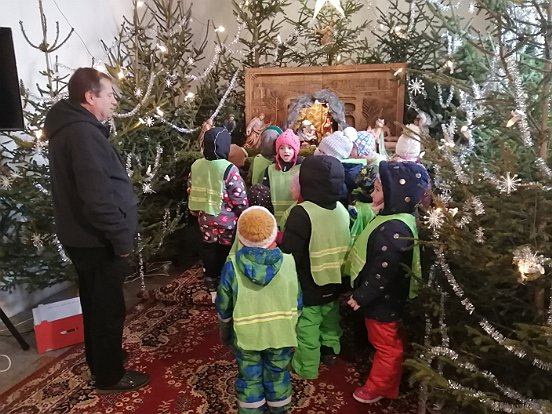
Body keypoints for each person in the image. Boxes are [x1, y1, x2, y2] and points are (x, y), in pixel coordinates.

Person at [45, 67, 149, 392]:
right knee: (106, 308)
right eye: (110, 94)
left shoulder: (72, 128)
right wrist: (121, 240)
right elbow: (97, 198)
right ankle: (109, 375)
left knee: (94, 304)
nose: (115, 101)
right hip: (98, 241)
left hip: (85, 239)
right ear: (90, 97)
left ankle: (103, 358)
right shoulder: (82, 134)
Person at [345, 161, 430, 404]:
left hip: (383, 302)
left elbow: (382, 271)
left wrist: (361, 296)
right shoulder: (396, 218)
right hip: (383, 299)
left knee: (388, 347)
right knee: (386, 342)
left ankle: (378, 387)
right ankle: (388, 380)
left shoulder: (393, 229)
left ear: (397, 196)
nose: (372, 194)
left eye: (378, 190)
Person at [216, 206, 301, 414]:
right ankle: (280, 408)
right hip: (281, 333)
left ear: (241, 237)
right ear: (273, 234)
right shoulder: (289, 262)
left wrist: (225, 330)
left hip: (247, 336)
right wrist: (293, 324)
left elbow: (224, 305)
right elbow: (297, 300)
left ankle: (251, 410)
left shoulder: (232, 266)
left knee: (249, 377)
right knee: (278, 373)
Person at [280, 155, 351, 380]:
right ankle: (331, 350)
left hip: (310, 281)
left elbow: (290, 251)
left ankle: (306, 366)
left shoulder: (301, 212)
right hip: (337, 278)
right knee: (330, 316)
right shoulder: (341, 209)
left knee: (307, 325)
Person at [188, 127, 249, 300]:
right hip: (227, 220)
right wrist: (244, 212)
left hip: (204, 217)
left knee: (208, 246)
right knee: (225, 247)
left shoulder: (196, 165)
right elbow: (238, 195)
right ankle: (224, 278)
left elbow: (191, 188)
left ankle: (210, 278)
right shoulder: (228, 168)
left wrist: (195, 210)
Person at [261, 129, 303, 224]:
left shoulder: (302, 168)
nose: (285, 151)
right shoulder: (270, 169)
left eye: (290, 148)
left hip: (296, 217)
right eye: (282, 148)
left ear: (295, 150)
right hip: (274, 218)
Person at [315, 131, 364, 206]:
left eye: (323, 153)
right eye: (319, 150)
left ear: (336, 157)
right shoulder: (325, 167)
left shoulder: (339, 178)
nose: (318, 154)